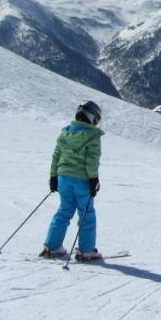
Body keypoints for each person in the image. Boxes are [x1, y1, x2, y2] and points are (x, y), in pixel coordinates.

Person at [41, 101, 105, 261]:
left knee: (64, 210)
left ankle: (52, 246)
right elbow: (92, 160)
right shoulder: (92, 136)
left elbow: (56, 156)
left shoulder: (65, 133)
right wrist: (93, 179)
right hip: (82, 180)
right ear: (92, 118)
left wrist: (53, 177)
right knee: (86, 214)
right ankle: (87, 250)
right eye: (96, 119)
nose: (96, 123)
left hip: (63, 179)